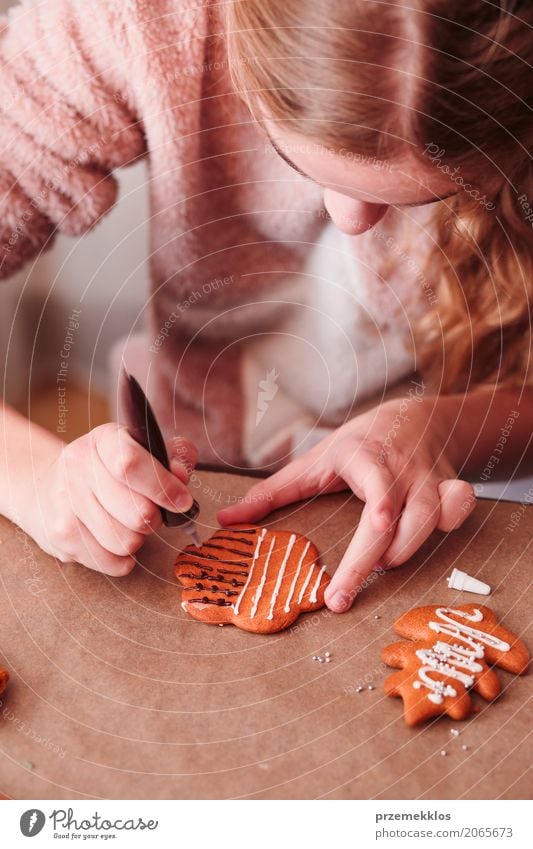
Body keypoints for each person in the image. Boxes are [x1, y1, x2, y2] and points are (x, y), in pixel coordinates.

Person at [0, 0, 531, 612]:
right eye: (292, 159)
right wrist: (30, 474)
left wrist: (448, 426)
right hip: (206, 460)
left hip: (469, 495)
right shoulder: (146, 20)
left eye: (431, 196)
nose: (350, 221)